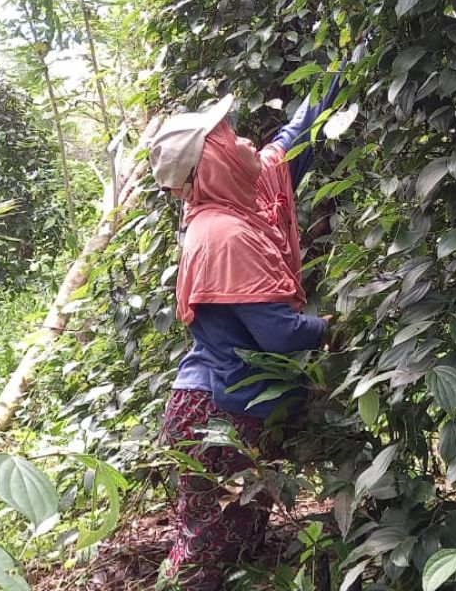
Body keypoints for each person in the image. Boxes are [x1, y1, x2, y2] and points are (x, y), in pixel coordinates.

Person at [146, 76, 340, 590]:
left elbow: (292, 140)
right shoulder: (224, 235)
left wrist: (346, 68)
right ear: (214, 164)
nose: (248, 142)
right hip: (219, 417)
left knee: (235, 537)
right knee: (210, 552)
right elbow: (279, 334)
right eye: (231, 139)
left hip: (229, 406)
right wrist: (334, 328)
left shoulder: (240, 199)